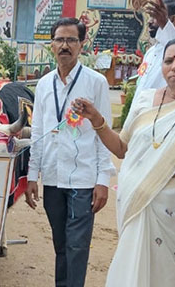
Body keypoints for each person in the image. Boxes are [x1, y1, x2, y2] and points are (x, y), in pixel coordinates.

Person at [73, 38, 175, 286]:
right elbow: (121, 148)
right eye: (168, 61)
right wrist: (96, 118)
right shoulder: (144, 99)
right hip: (134, 203)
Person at [24, 17, 115, 287]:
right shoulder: (43, 84)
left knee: (77, 246)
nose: (65, 45)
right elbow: (38, 130)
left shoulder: (96, 82)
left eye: (71, 40)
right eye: (60, 40)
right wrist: (32, 175)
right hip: (52, 176)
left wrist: (103, 180)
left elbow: (103, 132)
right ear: (51, 45)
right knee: (61, 244)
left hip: (83, 179)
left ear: (81, 44)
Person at [134, 0, 175, 100]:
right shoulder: (151, 52)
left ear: (172, 19)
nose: (149, 21)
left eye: (154, 17)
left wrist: (165, 23)